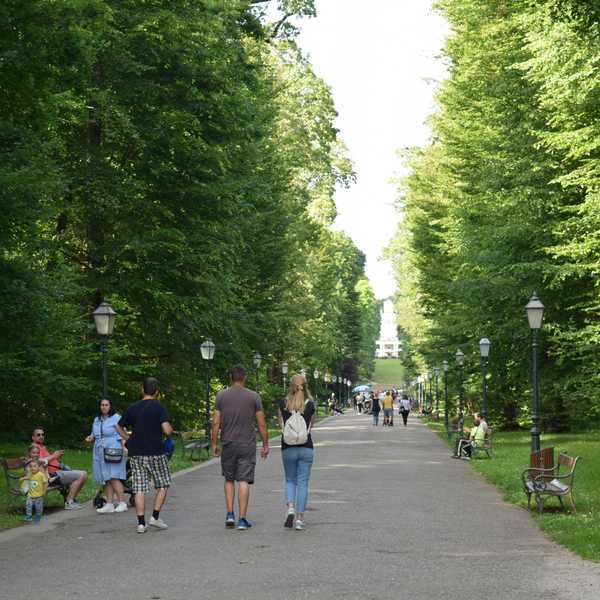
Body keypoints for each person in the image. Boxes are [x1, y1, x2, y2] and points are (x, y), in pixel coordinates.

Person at [211, 365, 269, 531]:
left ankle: (230, 514)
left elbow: (216, 422)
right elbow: (262, 423)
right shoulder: (254, 397)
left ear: (231, 377)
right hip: (247, 444)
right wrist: (265, 444)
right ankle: (242, 520)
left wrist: (214, 443)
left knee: (229, 479)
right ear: (244, 378)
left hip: (228, 443)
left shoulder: (221, 396)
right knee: (244, 480)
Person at [117, 377, 173, 533]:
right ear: (157, 392)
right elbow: (167, 430)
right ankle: (155, 517)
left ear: (142, 390)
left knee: (139, 488)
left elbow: (119, 426)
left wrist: (129, 439)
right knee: (163, 484)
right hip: (156, 452)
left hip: (137, 453)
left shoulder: (133, 408)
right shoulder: (159, 407)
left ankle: (141, 524)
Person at [278, 373, 315, 531]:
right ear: (305, 386)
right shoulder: (310, 404)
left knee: (290, 480)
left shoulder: (283, 403)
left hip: (288, 448)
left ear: (291, 386)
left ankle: (291, 507)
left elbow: (281, 425)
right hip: (306, 447)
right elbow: (310, 427)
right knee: (303, 483)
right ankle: (300, 519)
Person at [86, 398, 128, 514]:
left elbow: (122, 433)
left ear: (110, 406)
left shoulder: (116, 418)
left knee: (113, 476)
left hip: (113, 449)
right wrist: (91, 438)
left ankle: (122, 502)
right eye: (102, 405)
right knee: (106, 478)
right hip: (99, 450)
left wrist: (124, 447)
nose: (104, 407)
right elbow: (94, 434)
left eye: (106, 405)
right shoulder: (97, 419)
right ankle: (109, 504)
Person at [31, 427, 87, 510]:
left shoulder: (42, 447)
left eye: (42, 434)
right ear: (33, 437)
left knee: (84, 473)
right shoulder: (34, 448)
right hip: (51, 476)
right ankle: (69, 502)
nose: (41, 436)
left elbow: (48, 459)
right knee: (81, 475)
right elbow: (38, 461)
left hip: (57, 472)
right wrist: (54, 456)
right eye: (38, 435)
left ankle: (70, 500)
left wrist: (57, 458)